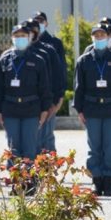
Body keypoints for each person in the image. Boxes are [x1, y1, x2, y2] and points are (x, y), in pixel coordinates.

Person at [74, 24, 111, 196]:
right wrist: (79, 110)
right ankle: (96, 180)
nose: (99, 38)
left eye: (102, 35)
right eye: (96, 35)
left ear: (107, 37)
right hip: (92, 109)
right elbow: (79, 87)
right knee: (94, 148)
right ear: (92, 38)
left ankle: (110, 180)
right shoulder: (83, 61)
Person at [0, 23, 51, 165]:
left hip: (31, 109)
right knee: (13, 149)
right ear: (12, 38)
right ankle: (15, 184)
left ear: (29, 37)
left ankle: (29, 183)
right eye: (17, 36)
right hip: (10, 109)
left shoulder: (38, 60)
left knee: (30, 149)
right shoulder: (4, 60)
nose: (20, 38)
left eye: (23, 36)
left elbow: (44, 88)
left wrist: (44, 110)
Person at [32, 13, 66, 153]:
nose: (38, 23)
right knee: (32, 137)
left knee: (46, 136)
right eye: (36, 21)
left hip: (49, 97)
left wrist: (60, 97)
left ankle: (47, 171)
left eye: (41, 20)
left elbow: (61, 71)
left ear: (46, 23)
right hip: (32, 98)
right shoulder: (27, 45)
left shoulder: (55, 43)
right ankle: (30, 170)